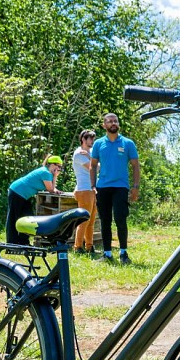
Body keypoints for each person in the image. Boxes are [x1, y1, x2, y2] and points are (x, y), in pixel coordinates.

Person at [90, 113, 140, 265]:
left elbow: (135, 166)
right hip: (102, 187)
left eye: (115, 121)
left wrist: (135, 187)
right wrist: (93, 186)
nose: (113, 123)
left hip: (120, 187)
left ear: (118, 124)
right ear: (104, 125)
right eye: (110, 121)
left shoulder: (127, 143)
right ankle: (107, 254)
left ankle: (123, 253)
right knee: (105, 221)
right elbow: (92, 166)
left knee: (120, 219)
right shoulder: (98, 144)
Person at [6, 155, 64, 245]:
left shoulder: (46, 172)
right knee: (14, 217)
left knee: (27, 217)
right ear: (52, 164)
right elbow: (51, 190)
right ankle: (11, 242)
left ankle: (23, 241)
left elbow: (52, 188)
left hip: (24, 195)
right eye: (59, 166)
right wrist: (55, 176)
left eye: (60, 167)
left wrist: (56, 189)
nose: (59, 169)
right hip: (17, 191)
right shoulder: (46, 173)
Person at [72, 129, 98, 254]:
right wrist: (91, 158)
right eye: (90, 138)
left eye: (93, 138)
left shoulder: (89, 153)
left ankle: (89, 246)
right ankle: (78, 247)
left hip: (92, 189)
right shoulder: (79, 154)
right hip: (84, 190)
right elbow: (93, 168)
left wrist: (90, 157)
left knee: (91, 220)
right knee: (84, 220)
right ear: (83, 139)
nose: (93, 141)